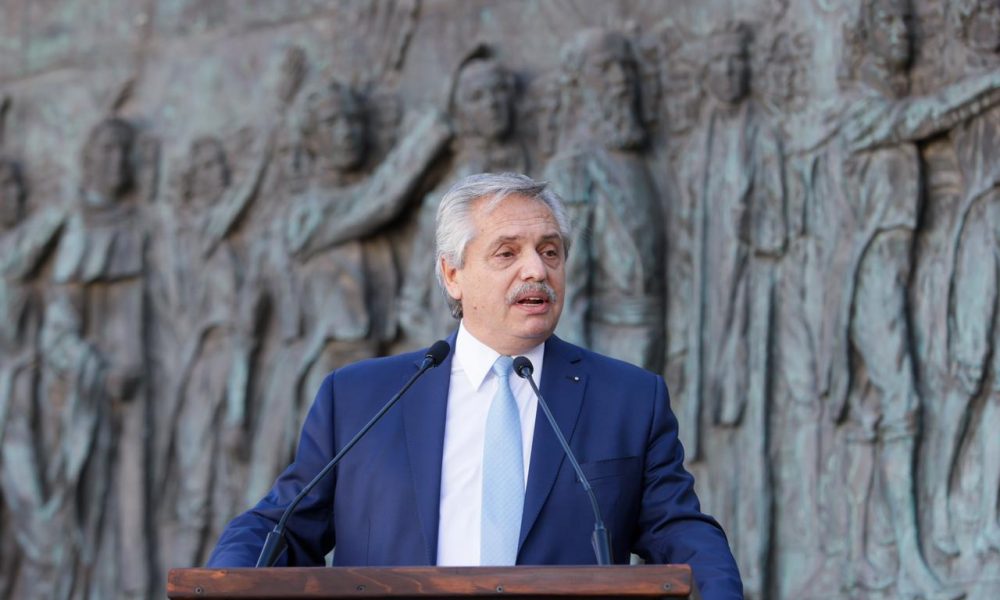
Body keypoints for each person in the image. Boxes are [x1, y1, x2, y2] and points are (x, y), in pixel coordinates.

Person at [207, 172, 742, 599]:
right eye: (507, 253)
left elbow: (680, 530)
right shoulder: (360, 397)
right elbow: (280, 526)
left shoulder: (627, 399)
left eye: (550, 251)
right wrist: (224, 586)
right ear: (453, 274)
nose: (536, 269)